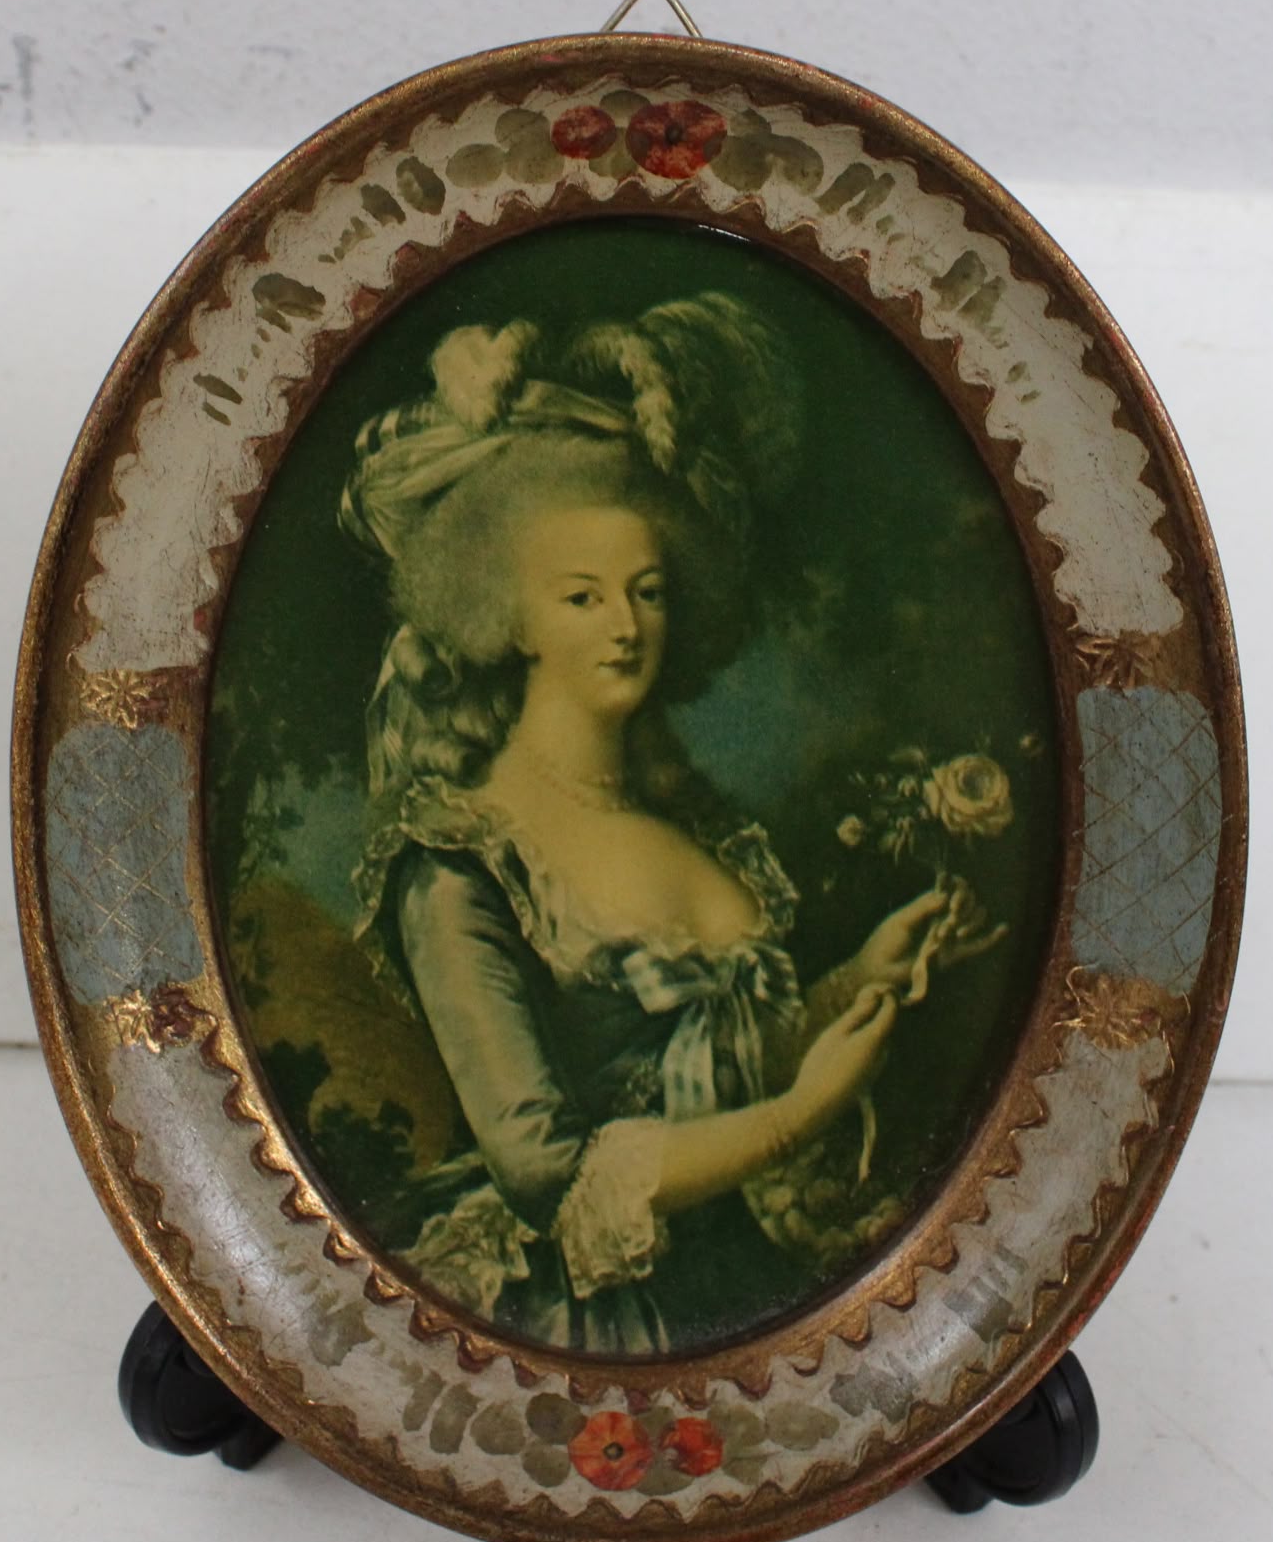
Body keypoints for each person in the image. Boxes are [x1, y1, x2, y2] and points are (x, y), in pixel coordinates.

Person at [343, 296, 983, 1353]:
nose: (627, 625)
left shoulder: (694, 827)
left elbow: (708, 1067)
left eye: (646, 591)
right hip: (588, 1319)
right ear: (507, 614)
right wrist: (800, 1115)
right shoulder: (458, 865)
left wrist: (855, 981)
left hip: (743, 1287)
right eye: (582, 598)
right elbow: (550, 1175)